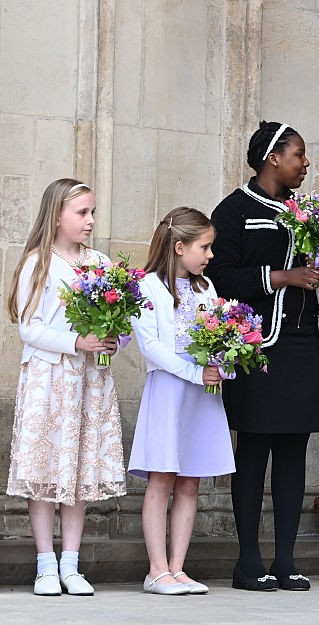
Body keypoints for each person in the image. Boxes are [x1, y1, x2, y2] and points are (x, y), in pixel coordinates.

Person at [206, 121, 319, 592]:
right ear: (273, 158)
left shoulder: (310, 213)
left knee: (293, 450)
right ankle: (248, 561)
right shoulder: (234, 210)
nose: (305, 163)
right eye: (298, 155)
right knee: (254, 448)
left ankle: (286, 559)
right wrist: (283, 277)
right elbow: (221, 277)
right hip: (259, 347)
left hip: (308, 343)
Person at [5, 179, 124, 597]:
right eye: (82, 213)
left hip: (89, 380)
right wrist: (77, 342)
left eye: (93, 213)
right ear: (57, 216)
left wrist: (113, 339)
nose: (90, 221)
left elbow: (120, 319)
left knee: (77, 469)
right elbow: (29, 328)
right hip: (50, 379)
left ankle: (71, 565)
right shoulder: (38, 262)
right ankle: (45, 566)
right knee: (46, 471)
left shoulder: (100, 263)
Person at [128, 207, 235, 595]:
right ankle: (156, 570)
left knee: (191, 481)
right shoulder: (148, 286)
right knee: (162, 478)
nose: (210, 255)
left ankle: (178, 567)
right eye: (204, 247)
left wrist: (224, 364)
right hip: (170, 391)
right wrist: (194, 373)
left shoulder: (207, 288)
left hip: (202, 394)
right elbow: (151, 346)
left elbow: (220, 333)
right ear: (179, 247)